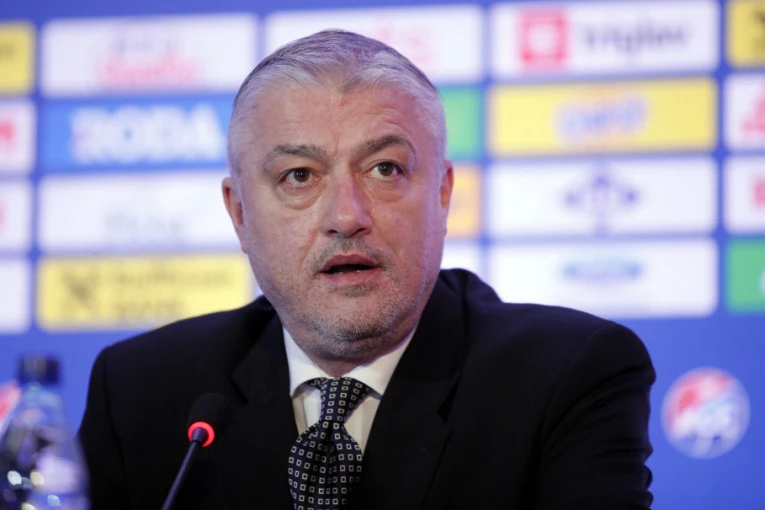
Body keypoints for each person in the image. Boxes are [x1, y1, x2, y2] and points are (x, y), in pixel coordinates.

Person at [78, 30, 655, 510]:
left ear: (443, 195)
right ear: (240, 214)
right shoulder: (140, 392)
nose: (346, 217)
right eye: (299, 176)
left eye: (384, 169)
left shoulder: (566, 378)